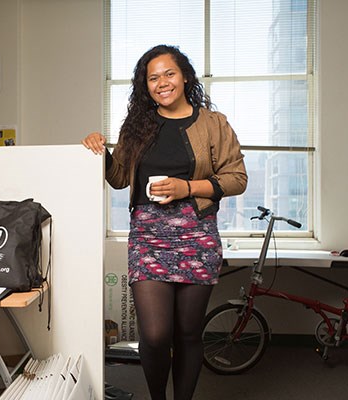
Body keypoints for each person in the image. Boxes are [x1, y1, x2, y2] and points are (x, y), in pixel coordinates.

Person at [82, 44, 247, 400]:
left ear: (185, 76)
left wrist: (186, 187)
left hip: (197, 234)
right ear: (146, 85)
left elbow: (237, 178)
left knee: (188, 333)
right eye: (153, 77)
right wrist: (100, 150)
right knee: (155, 335)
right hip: (148, 236)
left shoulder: (213, 123)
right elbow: (119, 178)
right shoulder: (138, 125)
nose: (162, 83)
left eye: (169, 74)